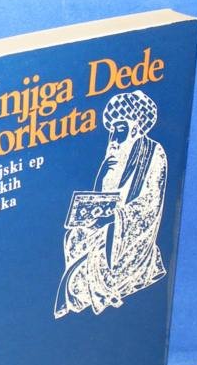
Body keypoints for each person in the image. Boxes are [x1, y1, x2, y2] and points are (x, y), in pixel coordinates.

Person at [54, 90, 167, 318]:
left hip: (129, 233)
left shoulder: (154, 153)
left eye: (121, 130)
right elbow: (102, 197)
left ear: (135, 128)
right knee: (74, 236)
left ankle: (100, 290)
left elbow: (150, 203)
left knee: (91, 265)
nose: (114, 138)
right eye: (112, 131)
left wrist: (115, 218)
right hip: (107, 225)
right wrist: (103, 175)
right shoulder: (114, 155)